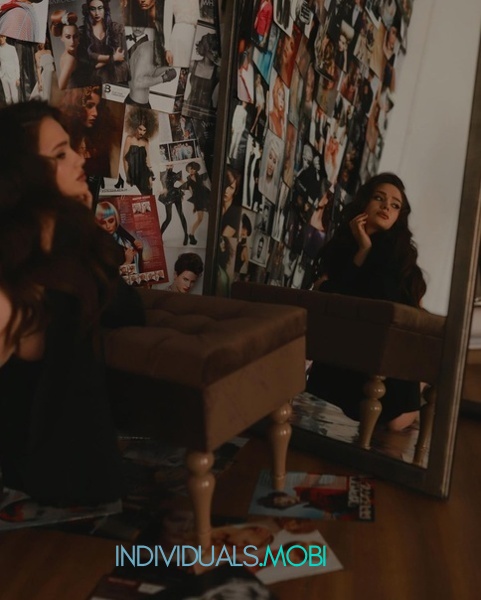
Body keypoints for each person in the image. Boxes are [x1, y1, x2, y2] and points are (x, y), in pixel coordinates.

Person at [0, 100, 144, 506]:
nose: (80, 158)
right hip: (35, 501)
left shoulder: (68, 261)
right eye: (60, 154)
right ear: (22, 174)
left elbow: (130, 309)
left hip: (81, 491)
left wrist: (82, 227)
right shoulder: (13, 292)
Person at [307, 173, 427, 431]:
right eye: (379, 198)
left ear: (399, 216)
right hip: (344, 347)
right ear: (364, 202)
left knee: (394, 423)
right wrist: (363, 249)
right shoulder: (340, 247)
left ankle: (420, 389)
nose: (386, 207)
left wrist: (367, 253)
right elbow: (334, 302)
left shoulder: (402, 258)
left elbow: (385, 305)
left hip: (386, 350)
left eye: (395, 205)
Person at [58, 85, 117, 177]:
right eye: (90, 106)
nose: (95, 113)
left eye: (97, 107)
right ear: (76, 107)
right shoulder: (61, 143)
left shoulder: (100, 146)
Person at [125, 25, 176, 108]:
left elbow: (151, 73)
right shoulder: (147, 50)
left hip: (142, 103)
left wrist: (168, 68)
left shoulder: (154, 48)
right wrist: (163, 78)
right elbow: (138, 81)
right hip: (135, 104)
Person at [79, 0, 129, 85]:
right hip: (96, 79)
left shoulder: (116, 29)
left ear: (105, 9)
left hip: (118, 75)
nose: (97, 13)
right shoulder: (82, 33)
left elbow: (121, 57)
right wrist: (113, 58)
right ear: (88, 11)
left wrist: (100, 62)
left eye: (100, 8)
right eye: (93, 9)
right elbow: (86, 65)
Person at [95, 201, 144, 273]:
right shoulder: (100, 246)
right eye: (103, 222)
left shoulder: (123, 236)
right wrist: (127, 262)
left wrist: (139, 249)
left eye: (111, 221)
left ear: (116, 220)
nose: (108, 226)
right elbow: (108, 275)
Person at [183, 31, 220, 119]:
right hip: (188, 109)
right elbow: (179, 84)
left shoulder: (218, 71)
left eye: (217, 49)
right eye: (213, 49)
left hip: (206, 114)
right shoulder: (192, 65)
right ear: (206, 49)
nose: (215, 53)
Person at [122, 105, 158, 195]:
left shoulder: (145, 141)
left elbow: (147, 159)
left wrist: (150, 176)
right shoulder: (129, 139)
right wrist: (127, 175)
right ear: (135, 126)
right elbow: (125, 159)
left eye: (144, 130)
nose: (141, 132)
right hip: (133, 173)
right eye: (140, 129)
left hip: (144, 173)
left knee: (148, 194)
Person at [49, 10, 86, 90]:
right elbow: (61, 87)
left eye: (75, 36)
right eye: (68, 37)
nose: (72, 41)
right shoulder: (70, 59)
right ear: (62, 38)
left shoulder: (72, 54)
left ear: (79, 37)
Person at [162, 0, 200, 68]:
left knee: (193, 69)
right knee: (180, 69)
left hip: (195, 35)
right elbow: (167, 21)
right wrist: (168, 48)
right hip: (179, 35)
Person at [158, 163, 189, 245]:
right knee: (168, 218)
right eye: (167, 165)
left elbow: (185, 184)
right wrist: (162, 190)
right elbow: (162, 186)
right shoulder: (162, 174)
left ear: (173, 166)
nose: (169, 167)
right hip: (168, 196)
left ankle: (186, 235)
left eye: (170, 165)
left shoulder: (175, 175)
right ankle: (159, 237)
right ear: (165, 165)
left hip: (176, 195)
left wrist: (182, 191)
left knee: (181, 215)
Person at [181, 160, 211, 245]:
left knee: (212, 215)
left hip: (206, 196)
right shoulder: (189, 180)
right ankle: (191, 235)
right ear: (188, 169)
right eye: (190, 169)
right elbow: (192, 193)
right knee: (200, 219)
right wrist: (194, 205)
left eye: (193, 169)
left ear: (196, 169)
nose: (192, 170)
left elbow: (205, 185)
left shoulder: (200, 176)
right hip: (198, 200)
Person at [0, 35, 19, 104]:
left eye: (2, 37)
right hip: (3, 75)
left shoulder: (12, 48)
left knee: (15, 97)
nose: (1, 39)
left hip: (12, 75)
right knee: (7, 97)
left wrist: (17, 77)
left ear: (5, 37)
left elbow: (16, 63)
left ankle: (17, 110)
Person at [268, 74, 286, 139]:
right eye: (279, 94)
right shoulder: (270, 116)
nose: (281, 101)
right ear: (274, 94)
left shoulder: (282, 121)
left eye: (283, 98)